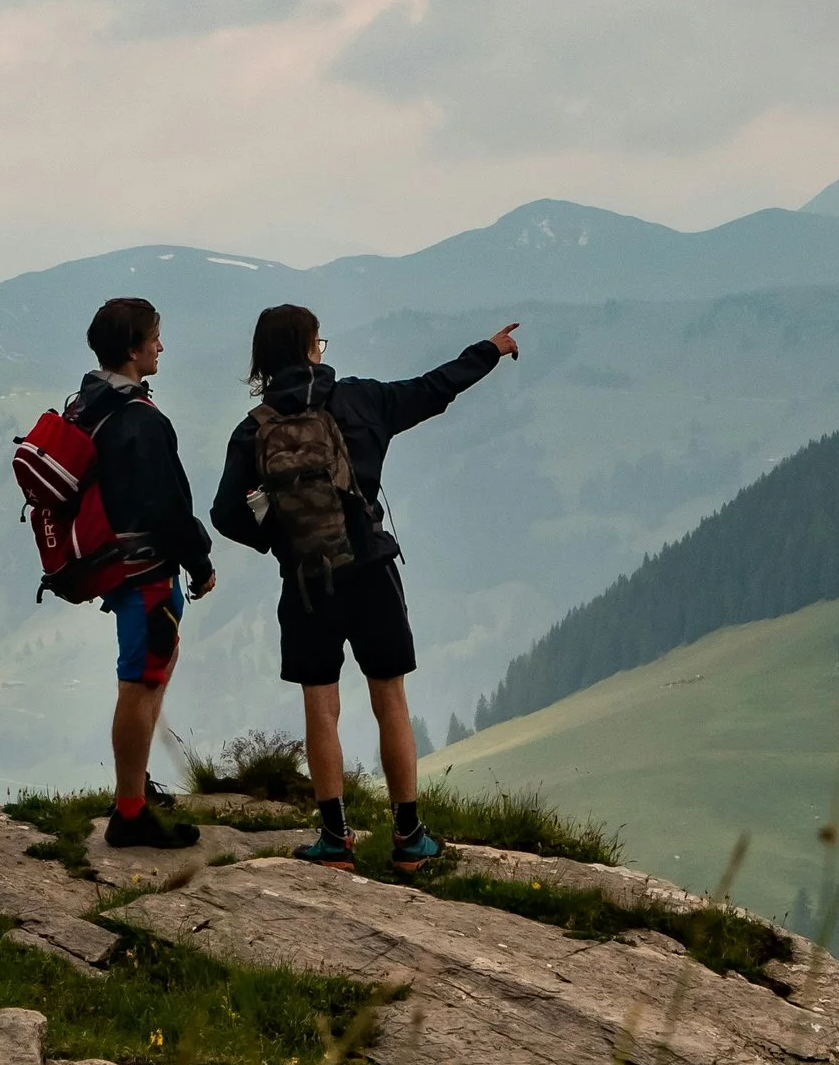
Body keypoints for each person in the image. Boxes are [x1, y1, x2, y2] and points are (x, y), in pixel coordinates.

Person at [213, 302, 516, 870]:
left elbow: (225, 513)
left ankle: (334, 839)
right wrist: (490, 351)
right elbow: (433, 389)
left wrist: (282, 541)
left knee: (320, 706)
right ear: (310, 349)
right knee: (390, 700)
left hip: (305, 582)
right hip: (371, 572)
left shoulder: (253, 430)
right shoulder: (362, 399)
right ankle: (409, 839)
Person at [70, 294, 215, 850]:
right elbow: (167, 507)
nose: (161, 345)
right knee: (142, 681)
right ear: (133, 349)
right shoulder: (138, 420)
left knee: (144, 675)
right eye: (154, 336)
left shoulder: (90, 405)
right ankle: (129, 811)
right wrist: (199, 563)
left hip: (115, 565)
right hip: (148, 570)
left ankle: (132, 792)